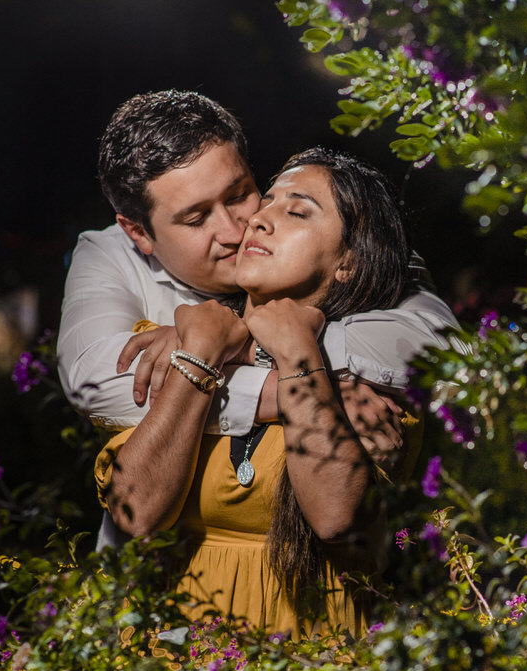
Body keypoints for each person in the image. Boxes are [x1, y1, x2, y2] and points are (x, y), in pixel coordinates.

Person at [57, 89, 459, 546]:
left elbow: (448, 349)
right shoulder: (110, 254)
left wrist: (247, 345)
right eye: (196, 219)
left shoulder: (351, 247)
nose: (235, 230)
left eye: (241, 194)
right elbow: (94, 378)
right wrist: (293, 389)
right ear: (138, 232)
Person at [95, 148, 422, 636]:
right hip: (169, 663)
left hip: (303, 668)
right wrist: (201, 353)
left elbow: (334, 517)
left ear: (348, 262)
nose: (259, 221)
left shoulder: (369, 383)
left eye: (297, 211)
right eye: (266, 202)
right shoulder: (172, 341)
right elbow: (135, 512)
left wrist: (298, 354)